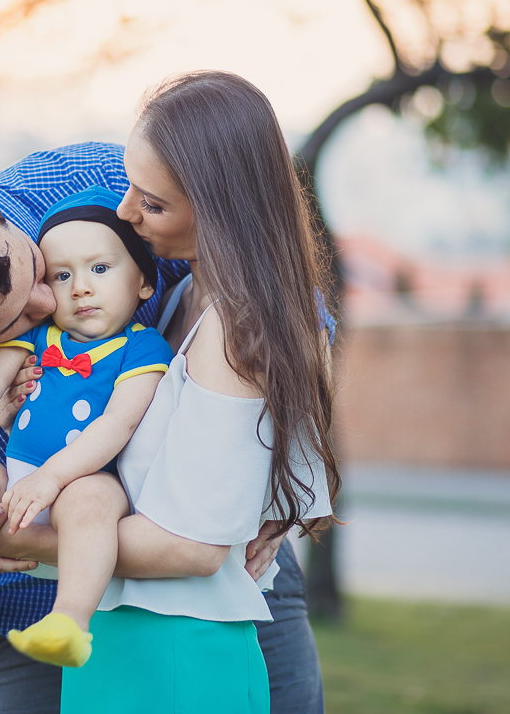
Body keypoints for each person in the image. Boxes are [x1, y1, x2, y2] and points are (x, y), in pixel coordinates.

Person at [0, 142, 332, 714]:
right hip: (31, 614)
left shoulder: (110, 181)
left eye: (39, 268)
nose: (54, 301)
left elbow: (284, 304)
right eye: (15, 320)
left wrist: (283, 490)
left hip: (224, 577)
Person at [56, 70, 341, 713]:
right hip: (122, 638)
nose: (125, 213)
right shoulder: (185, 296)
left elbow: (192, 546)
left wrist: (14, 534)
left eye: (151, 203)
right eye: (132, 185)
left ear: (219, 211)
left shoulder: (235, 328)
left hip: (176, 654)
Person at [0, 186, 174, 668]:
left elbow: (117, 424)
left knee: (91, 501)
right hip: (18, 480)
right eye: (63, 274)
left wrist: (52, 478)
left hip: (88, 478)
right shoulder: (37, 337)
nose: (80, 287)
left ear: (144, 283)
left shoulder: (143, 348)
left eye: (101, 269)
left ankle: (68, 620)